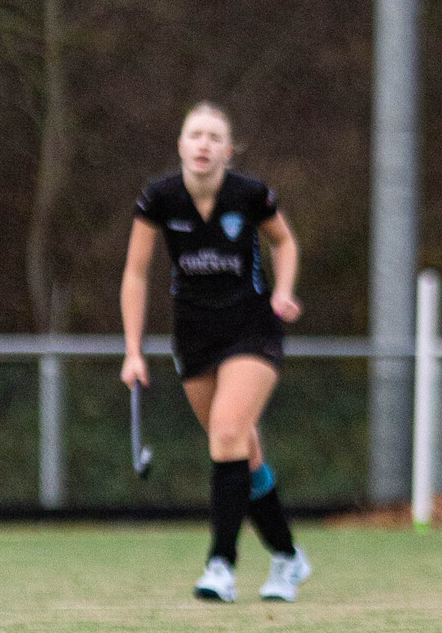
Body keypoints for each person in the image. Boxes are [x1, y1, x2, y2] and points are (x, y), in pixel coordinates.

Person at [121, 101, 312, 605]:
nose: (203, 144)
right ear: (181, 145)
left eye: (213, 137)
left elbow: (284, 243)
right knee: (241, 452)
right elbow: (136, 274)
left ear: (228, 151)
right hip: (194, 337)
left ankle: (220, 565)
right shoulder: (158, 198)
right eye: (194, 135)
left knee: (227, 435)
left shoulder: (249, 195)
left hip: (252, 330)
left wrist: (282, 291)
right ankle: (288, 556)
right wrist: (133, 351)